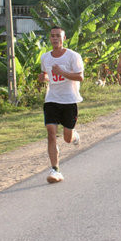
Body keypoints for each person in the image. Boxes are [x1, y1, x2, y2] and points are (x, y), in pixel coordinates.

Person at [38, 26, 84, 184]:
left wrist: (62, 73)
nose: (55, 38)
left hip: (69, 100)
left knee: (67, 138)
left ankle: (74, 135)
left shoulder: (73, 56)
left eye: (58, 36)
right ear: (49, 38)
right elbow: (46, 74)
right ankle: (55, 169)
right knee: (51, 133)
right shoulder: (45, 57)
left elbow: (80, 77)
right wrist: (43, 78)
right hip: (52, 99)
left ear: (64, 39)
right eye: (52, 36)